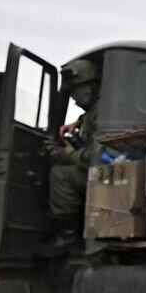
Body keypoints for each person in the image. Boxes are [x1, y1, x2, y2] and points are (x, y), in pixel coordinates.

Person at [44, 58, 101, 253]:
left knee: (60, 174)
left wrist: (69, 153)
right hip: (101, 172)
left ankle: (68, 235)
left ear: (87, 89)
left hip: (102, 175)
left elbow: (97, 157)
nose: (75, 100)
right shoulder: (96, 111)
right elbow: (90, 118)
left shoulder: (102, 113)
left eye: (75, 92)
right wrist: (77, 123)